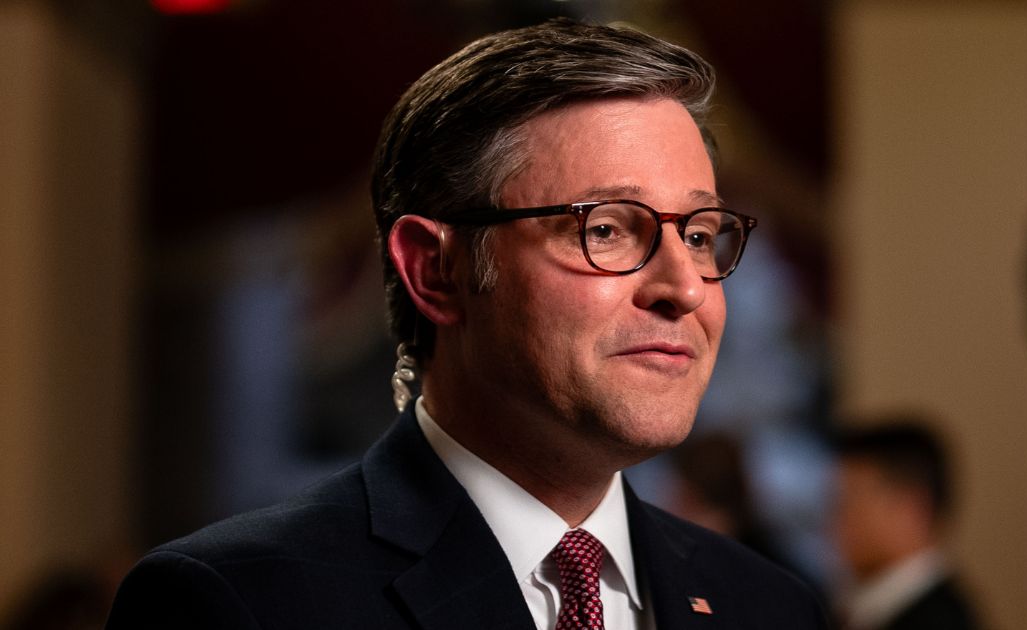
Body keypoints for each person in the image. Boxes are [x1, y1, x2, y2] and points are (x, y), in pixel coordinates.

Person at [106, 18, 828, 630]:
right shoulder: (240, 603)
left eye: (700, 236)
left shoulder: (770, 607)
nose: (683, 288)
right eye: (607, 229)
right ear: (434, 270)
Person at [832, 420, 980, 630]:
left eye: (849, 499)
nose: (834, 517)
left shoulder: (938, 621)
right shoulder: (859, 609)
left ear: (911, 509)